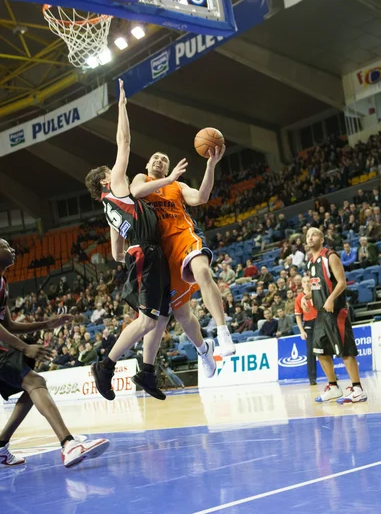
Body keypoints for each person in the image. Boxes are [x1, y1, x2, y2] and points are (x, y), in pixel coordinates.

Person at [85, 80, 216, 401]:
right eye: (112, 170)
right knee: (146, 320)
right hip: (146, 253)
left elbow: (116, 252)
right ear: (105, 179)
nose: (120, 172)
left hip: (143, 253)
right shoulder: (116, 186)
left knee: (159, 318)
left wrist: (132, 253)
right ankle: (105, 366)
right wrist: (122, 108)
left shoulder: (110, 208)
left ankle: (146, 372)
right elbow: (124, 142)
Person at [0, 239, 109, 467]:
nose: (12, 250)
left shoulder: (3, 283)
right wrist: (23, 346)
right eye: (5, 246)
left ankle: (1, 446)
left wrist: (47, 324)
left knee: (32, 387)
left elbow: (8, 325)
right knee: (35, 382)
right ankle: (68, 444)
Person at [129, 137, 236, 359]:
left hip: (183, 235)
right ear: (148, 166)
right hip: (161, 252)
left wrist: (210, 166)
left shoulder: (177, 185)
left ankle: (223, 332)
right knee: (182, 315)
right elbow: (136, 192)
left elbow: (201, 197)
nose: (159, 160)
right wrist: (167, 178)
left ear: (168, 167)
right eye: (155, 158)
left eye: (164, 159)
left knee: (203, 271)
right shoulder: (142, 178)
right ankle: (203, 351)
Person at [303, 228, 367, 403]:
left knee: (345, 350)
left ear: (322, 239)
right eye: (307, 236)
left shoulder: (330, 256)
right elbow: (319, 286)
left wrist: (331, 299)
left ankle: (357, 389)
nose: (310, 238)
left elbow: (342, 282)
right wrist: (307, 297)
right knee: (320, 351)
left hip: (335, 311)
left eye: (313, 235)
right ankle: (333, 387)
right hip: (320, 314)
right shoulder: (310, 262)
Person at [294, 276, 317, 385]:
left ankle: (332, 374)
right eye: (304, 282)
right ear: (301, 284)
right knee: (310, 352)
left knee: (326, 349)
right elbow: (298, 316)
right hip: (309, 324)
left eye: (308, 281)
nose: (307, 283)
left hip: (320, 321)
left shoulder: (317, 293)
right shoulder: (299, 298)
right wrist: (301, 331)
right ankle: (312, 378)